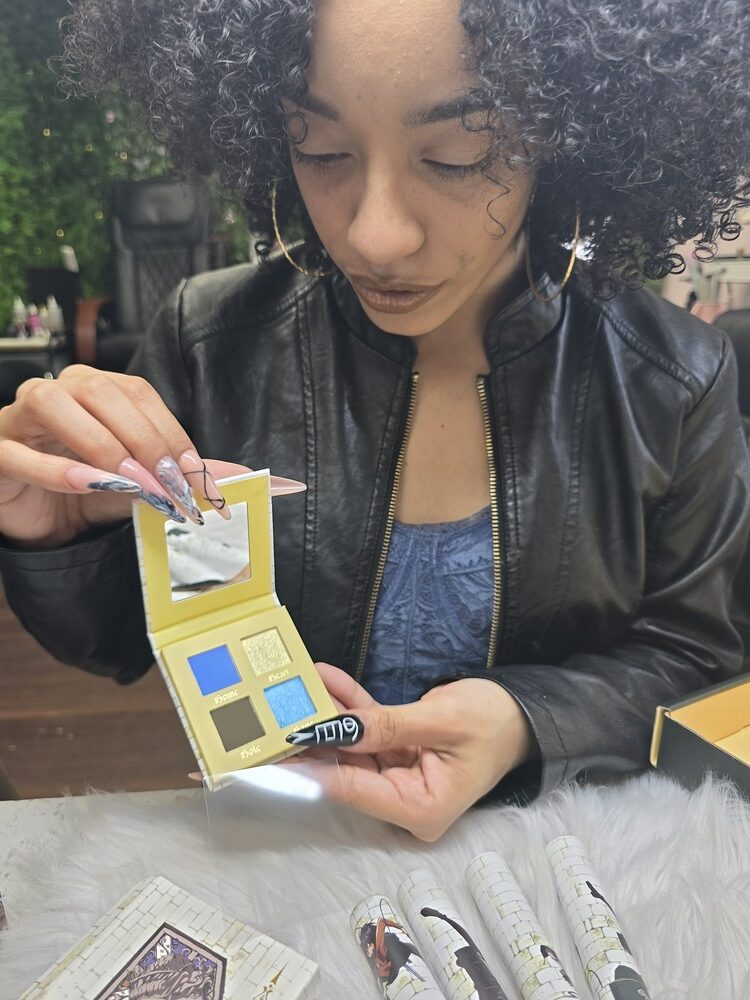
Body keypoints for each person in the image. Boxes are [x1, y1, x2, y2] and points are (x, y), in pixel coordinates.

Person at [0, 0, 748, 842]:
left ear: (565, 139)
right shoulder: (210, 343)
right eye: (319, 149)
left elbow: (697, 656)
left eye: (459, 155)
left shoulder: (673, 378)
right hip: (289, 847)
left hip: (558, 856)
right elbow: (122, 644)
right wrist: (58, 539)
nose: (374, 235)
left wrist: (525, 721)